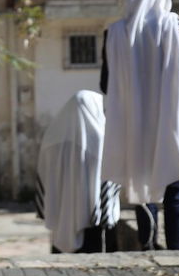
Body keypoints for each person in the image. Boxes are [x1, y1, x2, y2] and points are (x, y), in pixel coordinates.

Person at [99, 0, 179, 251]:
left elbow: (105, 84)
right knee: (174, 186)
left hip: (135, 124)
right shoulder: (174, 26)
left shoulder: (114, 33)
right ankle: (177, 251)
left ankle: (147, 246)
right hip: (170, 120)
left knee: (142, 184)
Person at [35, 90, 119, 254]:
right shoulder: (100, 139)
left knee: (62, 262)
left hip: (61, 216)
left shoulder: (51, 138)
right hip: (92, 219)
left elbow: (43, 175)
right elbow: (109, 180)